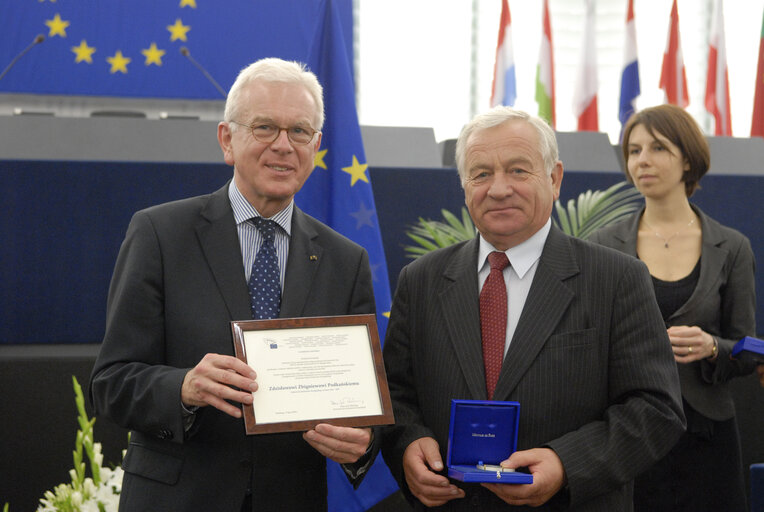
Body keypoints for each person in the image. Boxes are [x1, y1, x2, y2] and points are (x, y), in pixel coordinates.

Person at [90, 58, 378, 512]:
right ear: (228, 139)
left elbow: (364, 402)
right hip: (177, 499)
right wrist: (183, 387)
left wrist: (363, 440)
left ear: (316, 146)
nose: (283, 146)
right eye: (265, 127)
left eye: (299, 132)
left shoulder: (346, 262)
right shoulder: (160, 234)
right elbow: (111, 382)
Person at [381, 106, 685, 511]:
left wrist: (565, 463)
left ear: (555, 178)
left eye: (518, 170)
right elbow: (393, 396)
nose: (499, 188)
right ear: (464, 185)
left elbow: (656, 408)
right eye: (481, 173)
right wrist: (407, 445)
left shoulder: (616, 278)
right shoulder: (420, 280)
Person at [588, 104, 757, 512]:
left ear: (688, 159)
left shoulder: (731, 246)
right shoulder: (602, 244)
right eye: (633, 150)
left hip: (707, 433)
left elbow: (746, 350)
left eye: (658, 148)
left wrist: (712, 345)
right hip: (628, 430)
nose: (642, 160)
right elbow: (587, 341)